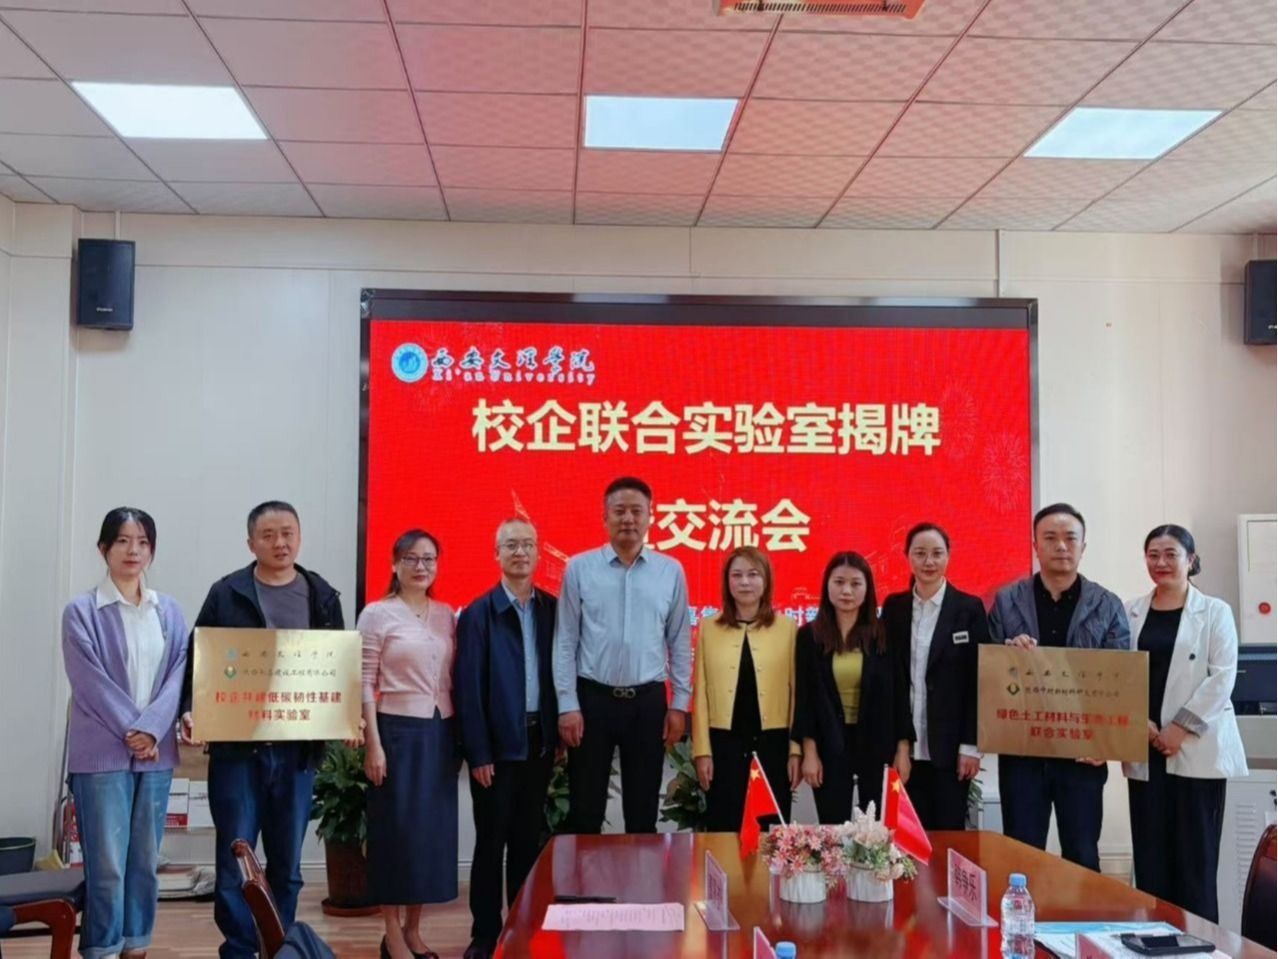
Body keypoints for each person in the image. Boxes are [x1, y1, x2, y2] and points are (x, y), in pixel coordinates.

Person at [180, 501, 347, 959]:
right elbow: (198, 660)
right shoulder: (227, 593)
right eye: (269, 534)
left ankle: (279, 945)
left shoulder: (321, 595)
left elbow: (336, 667)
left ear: (300, 537)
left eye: (288, 533)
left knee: (287, 865)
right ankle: (239, 949)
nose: (280, 543)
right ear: (250, 542)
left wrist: (344, 714)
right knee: (235, 860)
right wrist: (191, 710)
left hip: (297, 753)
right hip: (239, 752)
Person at [62, 508, 188, 959]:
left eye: (142, 542)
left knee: (144, 862)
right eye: (122, 541)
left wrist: (152, 731)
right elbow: (89, 681)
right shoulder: (81, 612)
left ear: (151, 551)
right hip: (102, 753)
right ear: (103, 549)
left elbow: (179, 674)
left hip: (156, 755)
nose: (133, 550)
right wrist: (134, 730)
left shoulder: (168, 611)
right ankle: (102, 948)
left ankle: (136, 945)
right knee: (108, 865)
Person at [987, 502, 1130, 871]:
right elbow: (987, 672)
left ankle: (1082, 913)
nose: (1061, 546)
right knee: (1020, 852)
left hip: (1081, 753)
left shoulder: (1107, 604)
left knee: (1082, 854)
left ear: (1084, 546)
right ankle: (1021, 912)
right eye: (1050, 538)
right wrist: (1008, 654)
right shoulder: (1007, 601)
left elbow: (1120, 677)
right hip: (1023, 751)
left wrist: (1105, 742)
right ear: (1036, 545)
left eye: (1070, 538)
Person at [553, 476, 693, 835]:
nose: (628, 519)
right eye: (619, 511)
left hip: (647, 703)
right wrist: (567, 704)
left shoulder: (670, 571)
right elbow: (565, 640)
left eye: (636, 511)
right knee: (585, 810)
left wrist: (679, 704)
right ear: (605, 517)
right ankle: (586, 876)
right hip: (592, 700)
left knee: (642, 812)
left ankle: (641, 875)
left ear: (650, 517)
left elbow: (679, 641)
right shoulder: (579, 568)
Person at [1122, 524, 1247, 922]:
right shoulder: (1130, 611)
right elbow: (1118, 673)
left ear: (1190, 560)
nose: (1160, 562)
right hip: (1146, 748)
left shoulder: (1214, 611)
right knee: (1151, 859)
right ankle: (1154, 940)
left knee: (1196, 862)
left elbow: (1222, 677)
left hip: (1196, 749)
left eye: (1170, 554)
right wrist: (1138, 720)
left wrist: (1180, 728)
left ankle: (1201, 942)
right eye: (1153, 554)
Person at [456, 518, 558, 959]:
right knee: (490, 843)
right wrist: (478, 752)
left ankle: (520, 927)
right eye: (511, 545)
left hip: (538, 743)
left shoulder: (552, 609)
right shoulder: (479, 613)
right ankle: (484, 934)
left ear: (538, 553)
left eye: (528, 545)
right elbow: (468, 689)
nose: (520, 552)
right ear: (496, 554)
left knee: (526, 842)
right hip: (496, 750)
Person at [359, 529, 457, 959]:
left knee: (428, 837)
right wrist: (373, 744)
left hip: (440, 732)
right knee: (396, 834)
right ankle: (391, 933)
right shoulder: (377, 614)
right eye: (412, 558)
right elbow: (363, 681)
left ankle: (414, 930)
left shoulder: (446, 614)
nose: (421, 566)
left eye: (429, 559)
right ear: (395, 564)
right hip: (396, 733)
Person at [880, 523, 990, 831]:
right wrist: (899, 744)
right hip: (905, 750)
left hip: (952, 750)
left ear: (948, 556)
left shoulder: (969, 608)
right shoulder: (895, 608)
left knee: (948, 834)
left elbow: (978, 681)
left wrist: (971, 745)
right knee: (905, 836)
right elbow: (892, 680)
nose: (929, 562)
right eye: (920, 553)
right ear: (908, 557)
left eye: (937, 553)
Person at [793, 552, 911, 824]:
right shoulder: (809, 636)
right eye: (839, 582)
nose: (846, 591)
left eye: (855, 583)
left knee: (874, 830)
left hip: (877, 742)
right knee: (832, 828)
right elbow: (805, 698)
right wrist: (809, 752)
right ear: (827, 585)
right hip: (829, 742)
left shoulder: (884, 634)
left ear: (867, 588)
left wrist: (903, 750)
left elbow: (899, 694)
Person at [692, 547, 801, 832]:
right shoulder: (709, 627)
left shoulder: (787, 628)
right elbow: (701, 694)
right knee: (724, 826)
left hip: (773, 743)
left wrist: (795, 751)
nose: (744, 582)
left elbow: (796, 695)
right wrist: (702, 751)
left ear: (766, 581)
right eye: (737, 575)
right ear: (727, 582)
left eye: (753, 575)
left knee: (772, 831)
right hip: (724, 742)